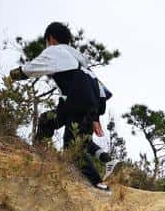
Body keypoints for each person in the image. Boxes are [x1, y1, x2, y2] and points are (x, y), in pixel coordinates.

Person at [8, 22, 112, 191]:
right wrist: (96, 116)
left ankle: (99, 185)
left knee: (72, 149)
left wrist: (14, 75)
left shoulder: (56, 50)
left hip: (76, 103)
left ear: (51, 39)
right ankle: (39, 154)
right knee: (49, 121)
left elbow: (32, 68)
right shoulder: (81, 60)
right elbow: (100, 91)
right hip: (83, 105)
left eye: (46, 42)